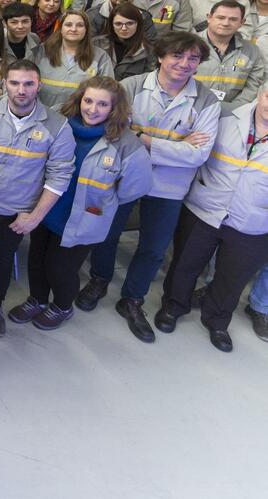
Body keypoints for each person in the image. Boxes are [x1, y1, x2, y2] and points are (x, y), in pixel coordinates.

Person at [80, 32, 223, 343]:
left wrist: (143, 137)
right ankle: (99, 279)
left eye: (193, 58)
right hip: (123, 177)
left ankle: (132, 299)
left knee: (154, 249)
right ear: (160, 56)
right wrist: (174, 144)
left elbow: (198, 155)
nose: (184, 64)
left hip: (169, 187)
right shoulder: (131, 86)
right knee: (107, 234)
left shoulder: (207, 100)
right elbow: (115, 131)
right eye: (177, 56)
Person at [5, 77, 151, 331]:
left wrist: (101, 201)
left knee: (59, 268)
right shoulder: (59, 125)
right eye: (88, 101)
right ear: (79, 100)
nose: (93, 109)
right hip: (46, 209)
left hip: (84, 218)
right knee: (37, 260)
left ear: (115, 108)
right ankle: (37, 300)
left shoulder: (126, 143)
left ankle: (62, 306)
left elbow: (134, 188)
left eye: (103, 104)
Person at [0, 59, 75, 338]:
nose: (21, 90)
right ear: (4, 83)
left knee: (2, 258)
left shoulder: (57, 125)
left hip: (18, 209)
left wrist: (35, 216)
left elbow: (59, 176)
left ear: (39, 85)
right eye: (15, 83)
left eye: (28, 83)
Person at [157, 86, 268, 352]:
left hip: (253, 220)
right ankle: (173, 307)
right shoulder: (226, 117)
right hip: (205, 206)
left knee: (233, 277)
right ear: (260, 94)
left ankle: (217, 321)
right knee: (185, 263)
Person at [194, 0, 266, 113]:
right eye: (221, 17)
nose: (226, 23)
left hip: (231, 114)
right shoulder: (187, 44)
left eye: (233, 19)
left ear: (242, 22)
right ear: (209, 17)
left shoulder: (252, 51)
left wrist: (231, 110)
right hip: (188, 109)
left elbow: (253, 86)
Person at [33, 10, 112, 108]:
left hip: (81, 118)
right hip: (42, 115)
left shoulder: (100, 57)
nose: (74, 29)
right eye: (68, 25)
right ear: (60, 28)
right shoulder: (42, 51)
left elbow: (107, 91)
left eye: (79, 25)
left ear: (86, 29)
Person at [93, 1, 154, 81]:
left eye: (130, 23)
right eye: (118, 24)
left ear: (138, 24)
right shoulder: (97, 44)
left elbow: (148, 82)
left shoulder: (148, 51)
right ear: (112, 25)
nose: (124, 28)